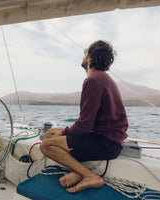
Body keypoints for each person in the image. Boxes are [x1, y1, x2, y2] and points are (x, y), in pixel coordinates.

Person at [40, 40, 128, 193]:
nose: (84, 54)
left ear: (90, 57)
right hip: (110, 140)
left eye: (86, 52)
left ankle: (89, 176)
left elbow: (84, 126)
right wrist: (62, 131)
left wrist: (63, 132)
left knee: (46, 145)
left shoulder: (93, 80)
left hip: (106, 143)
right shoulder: (105, 79)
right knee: (50, 133)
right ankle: (77, 173)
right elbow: (90, 124)